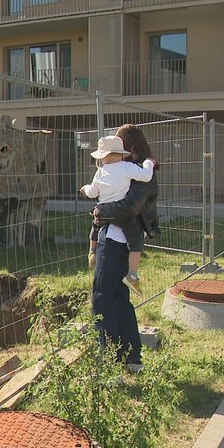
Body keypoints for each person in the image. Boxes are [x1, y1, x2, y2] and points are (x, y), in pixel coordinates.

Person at [90, 125, 160, 374]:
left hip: (117, 242)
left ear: (129, 149)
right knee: (119, 300)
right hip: (118, 240)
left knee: (102, 300)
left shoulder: (139, 174)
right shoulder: (132, 171)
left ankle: (109, 363)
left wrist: (99, 212)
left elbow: (127, 207)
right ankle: (131, 359)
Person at [80, 135, 156, 296]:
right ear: (122, 154)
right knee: (136, 239)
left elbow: (92, 192)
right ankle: (132, 275)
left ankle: (92, 251)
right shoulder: (127, 167)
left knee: (96, 224)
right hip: (123, 213)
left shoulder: (100, 172)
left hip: (104, 211)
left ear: (103, 156)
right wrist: (149, 163)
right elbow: (146, 176)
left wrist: (84, 188)